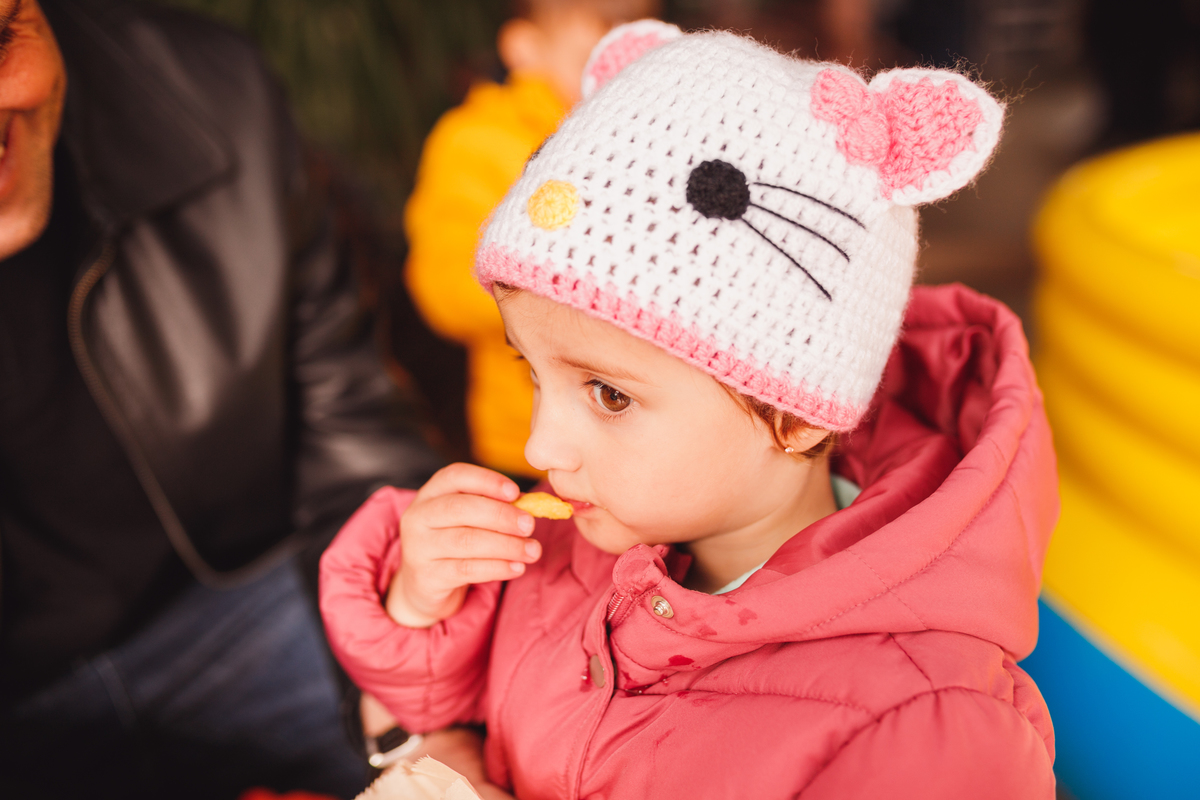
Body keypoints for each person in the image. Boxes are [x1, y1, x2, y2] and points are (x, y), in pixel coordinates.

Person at [321, 21, 1059, 799]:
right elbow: (456, 716)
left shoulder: (929, 730)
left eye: (609, 394)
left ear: (798, 413)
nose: (542, 447)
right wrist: (423, 605)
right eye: (532, 373)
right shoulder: (571, 550)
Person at [0, 1, 441, 798]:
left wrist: (403, 677)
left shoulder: (211, 93)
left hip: (250, 598)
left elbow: (351, 440)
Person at [404, 0, 658, 481]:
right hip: (524, 434)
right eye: (590, 59)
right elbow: (441, 287)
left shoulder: (642, 140)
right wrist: (564, 283)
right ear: (524, 48)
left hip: (631, 428)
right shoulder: (476, 140)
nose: (611, 77)